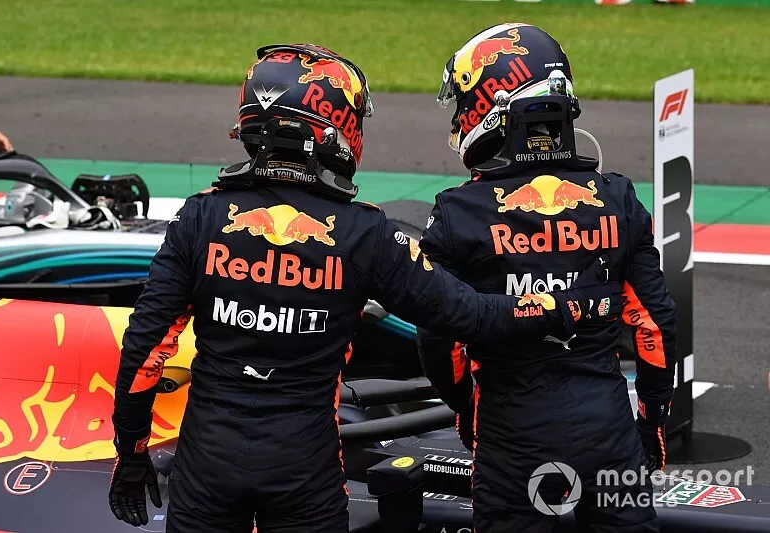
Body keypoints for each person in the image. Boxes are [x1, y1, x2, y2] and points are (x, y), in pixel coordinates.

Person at [108, 43, 624, 532]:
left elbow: (145, 348)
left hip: (206, 468)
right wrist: (570, 307)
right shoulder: (366, 233)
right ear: (336, 126)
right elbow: (468, 316)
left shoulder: (199, 217)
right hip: (304, 471)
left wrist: (131, 453)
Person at [417, 24, 677, 533]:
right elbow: (655, 326)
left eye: (466, 100)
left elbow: (439, 340)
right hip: (609, 430)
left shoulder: (457, 212)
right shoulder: (618, 197)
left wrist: (469, 414)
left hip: (512, 435)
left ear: (496, 103)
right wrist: (651, 421)